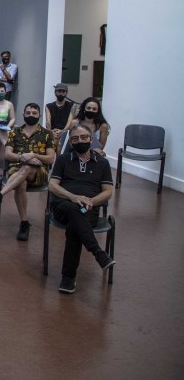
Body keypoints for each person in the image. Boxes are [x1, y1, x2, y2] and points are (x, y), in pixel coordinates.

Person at [48, 124, 116, 294]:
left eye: (84, 137)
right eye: (75, 138)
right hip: (63, 205)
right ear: (70, 142)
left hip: (89, 208)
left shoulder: (102, 163)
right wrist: (73, 197)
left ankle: (68, 277)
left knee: (75, 226)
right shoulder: (63, 159)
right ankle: (99, 253)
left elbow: (108, 192)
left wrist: (92, 201)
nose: (80, 141)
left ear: (91, 139)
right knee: (73, 211)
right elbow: (52, 185)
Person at [0, 103, 56, 241]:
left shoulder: (47, 134)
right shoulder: (14, 133)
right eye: (28, 113)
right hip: (16, 169)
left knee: (28, 167)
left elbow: (50, 158)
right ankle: (24, 223)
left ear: (39, 115)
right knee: (21, 184)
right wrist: (21, 157)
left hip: (39, 171)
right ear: (23, 115)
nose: (31, 115)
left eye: (34, 113)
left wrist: (33, 155)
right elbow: (7, 155)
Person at [45, 83, 76, 148]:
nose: (61, 93)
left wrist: (63, 131)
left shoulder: (72, 105)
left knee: (60, 144)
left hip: (66, 132)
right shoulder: (48, 106)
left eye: (63, 91)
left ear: (66, 93)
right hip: (53, 131)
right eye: (59, 91)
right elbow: (48, 121)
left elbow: (70, 121)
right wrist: (51, 132)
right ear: (55, 92)